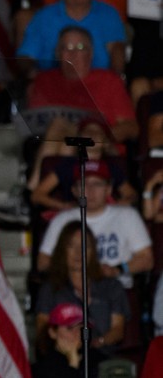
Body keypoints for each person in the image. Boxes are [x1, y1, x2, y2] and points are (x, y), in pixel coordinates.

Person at [25, 26, 136, 191]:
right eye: (67, 48)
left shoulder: (109, 81)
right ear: (57, 53)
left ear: (91, 54)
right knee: (61, 135)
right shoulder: (45, 81)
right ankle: (60, 193)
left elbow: (132, 128)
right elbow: (35, 124)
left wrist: (100, 135)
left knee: (60, 127)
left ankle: (32, 189)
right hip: (58, 143)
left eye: (80, 48)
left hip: (101, 146)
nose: (73, 54)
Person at [36, 161, 152, 290]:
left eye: (97, 184)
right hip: (72, 291)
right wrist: (74, 269)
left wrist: (117, 269)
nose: (90, 191)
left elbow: (147, 259)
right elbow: (43, 262)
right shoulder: (62, 219)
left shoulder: (127, 215)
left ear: (109, 189)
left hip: (115, 289)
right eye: (84, 184)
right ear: (74, 190)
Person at [36, 221, 129, 353]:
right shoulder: (50, 288)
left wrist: (96, 344)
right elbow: (42, 329)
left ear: (93, 252)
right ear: (62, 250)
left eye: (85, 246)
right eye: (71, 246)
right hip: (64, 357)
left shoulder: (112, 286)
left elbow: (118, 330)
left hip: (103, 357)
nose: (78, 252)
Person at [17, 0, 126, 77]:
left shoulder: (108, 15)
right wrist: (33, 75)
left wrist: (114, 80)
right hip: (51, 85)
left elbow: (117, 53)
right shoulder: (44, 17)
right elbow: (26, 56)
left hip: (97, 86)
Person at [32, 302, 107, 377]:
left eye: (80, 328)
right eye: (69, 328)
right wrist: (73, 363)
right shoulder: (43, 367)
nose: (76, 333)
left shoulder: (95, 359)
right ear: (52, 332)